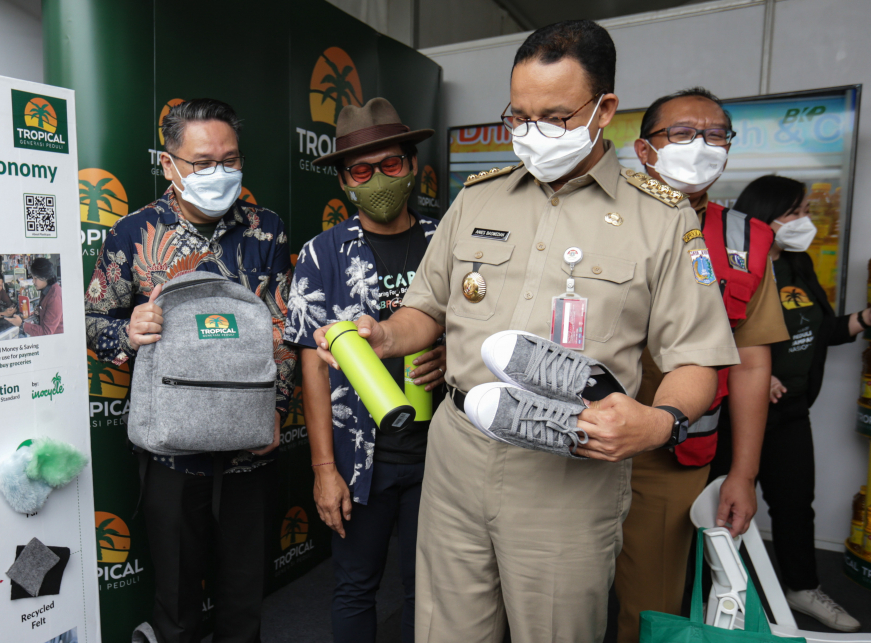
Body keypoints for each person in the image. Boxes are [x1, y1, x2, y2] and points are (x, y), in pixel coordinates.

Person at [311, 20, 740, 643]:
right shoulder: (478, 199)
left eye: (556, 116)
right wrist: (383, 337)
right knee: (442, 630)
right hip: (458, 458)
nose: (532, 133)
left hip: (568, 472)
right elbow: (426, 310)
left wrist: (658, 422)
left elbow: (698, 359)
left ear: (605, 109)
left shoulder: (661, 220)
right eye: (519, 115)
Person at [84, 98, 295, 643]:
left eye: (229, 160)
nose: (218, 173)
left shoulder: (265, 230)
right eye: (202, 163)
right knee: (176, 597)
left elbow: (286, 329)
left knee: (245, 593)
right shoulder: (134, 233)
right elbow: (90, 319)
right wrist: (126, 332)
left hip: (252, 444)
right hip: (170, 449)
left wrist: (278, 410)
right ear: (169, 164)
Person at [614, 88, 789, 642]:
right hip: (573, 444)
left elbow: (752, 364)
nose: (701, 146)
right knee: (547, 597)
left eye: (715, 135)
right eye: (683, 133)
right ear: (645, 150)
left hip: (673, 456)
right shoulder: (597, 214)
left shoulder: (747, 241)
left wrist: (742, 473)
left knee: (651, 610)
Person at [284, 97, 446, 643]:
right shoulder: (320, 255)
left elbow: (485, 326)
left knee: (431, 589)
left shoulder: (445, 240)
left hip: (444, 453)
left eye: (391, 165)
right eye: (361, 170)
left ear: (412, 166)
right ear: (345, 184)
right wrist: (324, 469)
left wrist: (452, 352)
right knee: (355, 587)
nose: (378, 179)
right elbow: (312, 367)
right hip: (360, 458)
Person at [711, 175, 866, 632]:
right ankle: (714, 598)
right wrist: (758, 373)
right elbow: (710, 333)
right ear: (761, 218)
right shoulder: (736, 267)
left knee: (796, 503)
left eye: (805, 211)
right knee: (720, 508)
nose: (805, 221)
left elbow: (821, 331)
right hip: (733, 412)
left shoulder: (799, 264)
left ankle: (802, 588)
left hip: (793, 411)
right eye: (794, 213)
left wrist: (863, 320)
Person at [6, 258, 64, 336]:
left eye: (35, 278)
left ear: (45, 277)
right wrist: (39, 312)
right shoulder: (46, 290)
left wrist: (22, 324)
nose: (33, 281)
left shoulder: (54, 297)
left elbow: (46, 332)